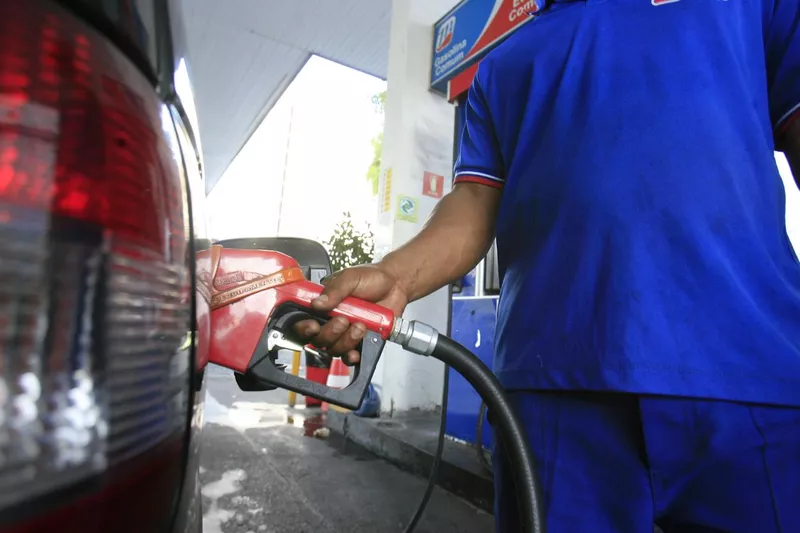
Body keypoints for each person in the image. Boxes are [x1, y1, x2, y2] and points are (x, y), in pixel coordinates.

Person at [296, 1, 800, 531]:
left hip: (752, 375)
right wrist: (397, 275)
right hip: (555, 385)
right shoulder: (505, 63)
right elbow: (473, 205)